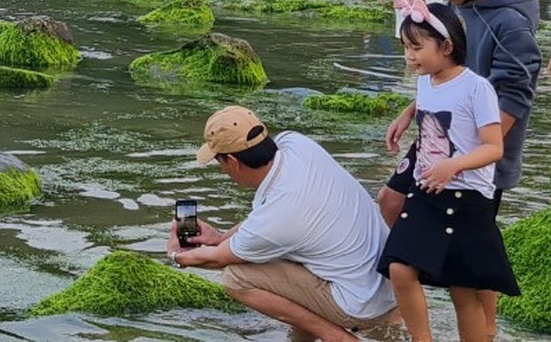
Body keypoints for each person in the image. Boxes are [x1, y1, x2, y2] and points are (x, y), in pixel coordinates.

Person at [407, 0, 541, 338]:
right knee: (470, 260)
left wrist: (474, 154)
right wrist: (410, 109)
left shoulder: (510, 24)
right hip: (439, 141)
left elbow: (515, 96)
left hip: (475, 160)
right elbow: (449, 74)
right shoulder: (466, 6)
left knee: (472, 265)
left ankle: (484, 331)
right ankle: (483, 330)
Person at [167, 106, 399, 342]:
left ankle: (336, 337)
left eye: (220, 162)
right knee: (286, 256)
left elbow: (218, 259)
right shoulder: (295, 143)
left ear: (233, 161)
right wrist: (220, 239)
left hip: (361, 304)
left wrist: (177, 256)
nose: (223, 170)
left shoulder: (278, 217)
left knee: (237, 278)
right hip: (389, 286)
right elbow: (267, 222)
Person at [379, 1, 518, 342]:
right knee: (399, 268)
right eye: (406, 48)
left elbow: (494, 147)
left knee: (464, 291)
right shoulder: (427, 80)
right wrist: (407, 113)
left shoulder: (478, 89)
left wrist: (452, 166)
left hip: (467, 198)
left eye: (416, 48)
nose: (409, 57)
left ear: (446, 46)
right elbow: (433, 97)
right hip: (426, 193)